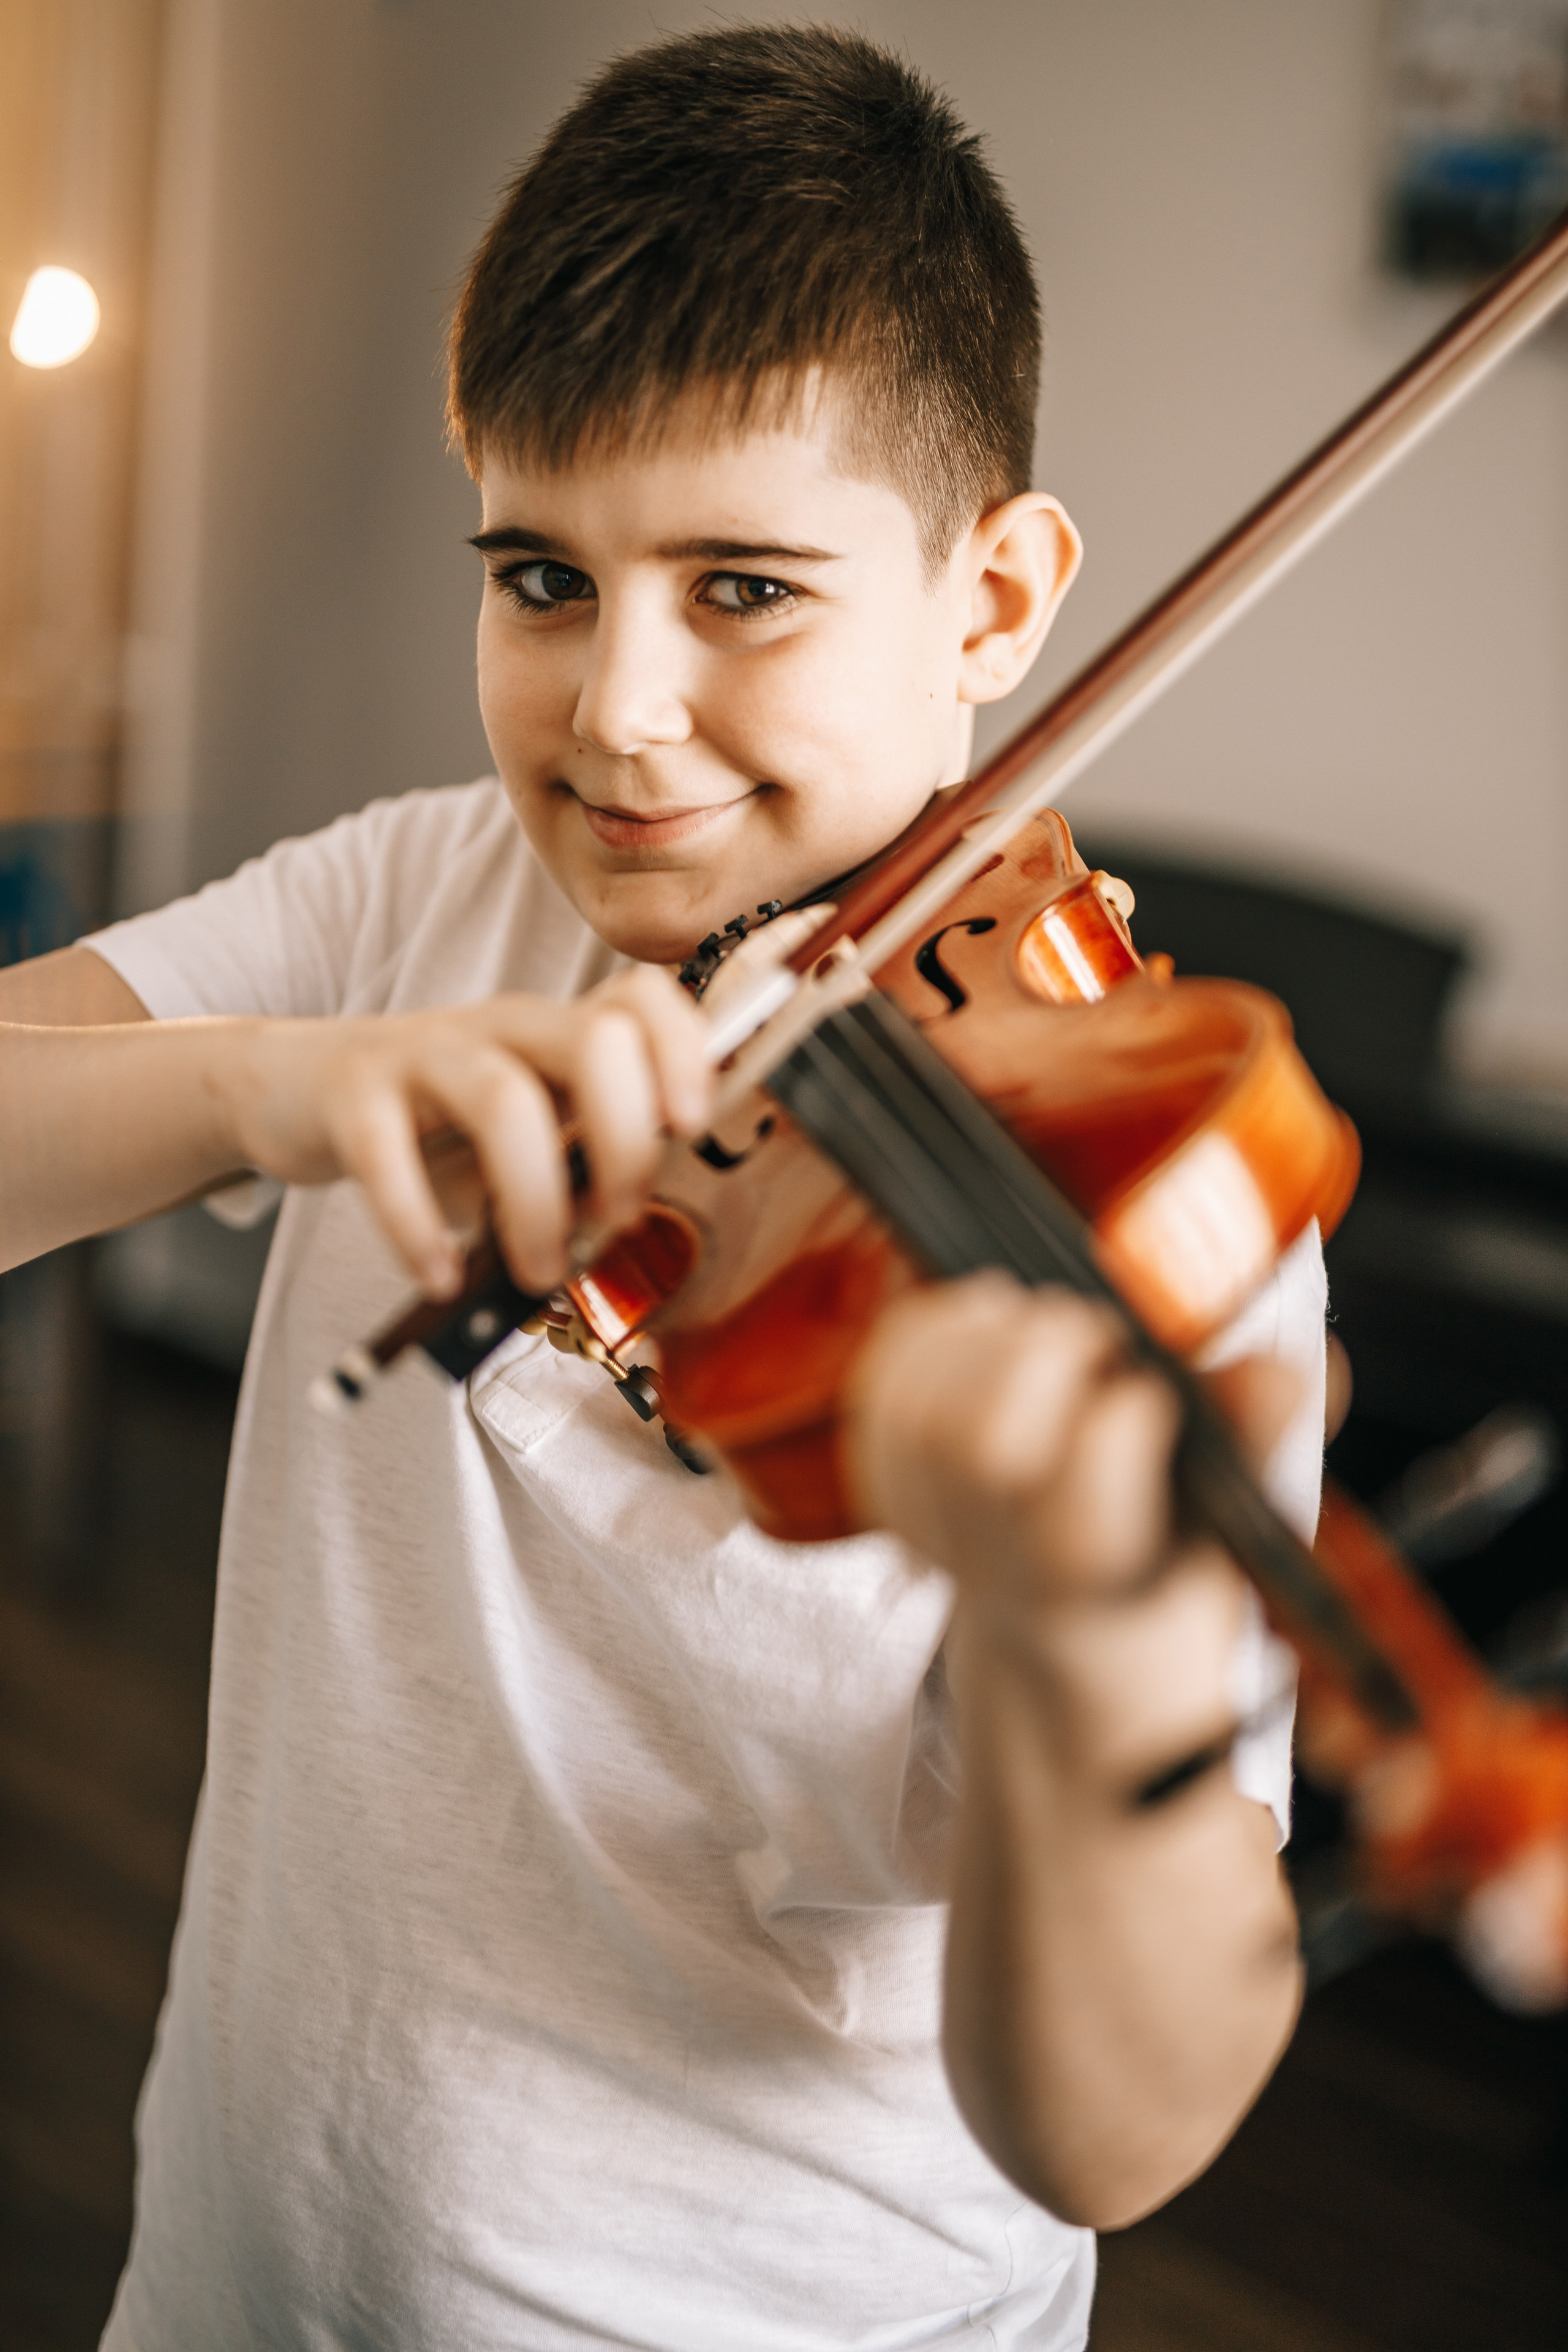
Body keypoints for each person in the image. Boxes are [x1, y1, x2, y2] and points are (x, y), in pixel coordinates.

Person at [0, 27, 1325, 2349]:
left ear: (998, 606)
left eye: (744, 588)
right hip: (235, 2263)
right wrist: (278, 1086)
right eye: (541, 575)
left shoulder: (1129, 1187)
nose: (614, 711)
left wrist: (1072, 1641)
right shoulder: (422, 897)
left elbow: (1115, 2137)